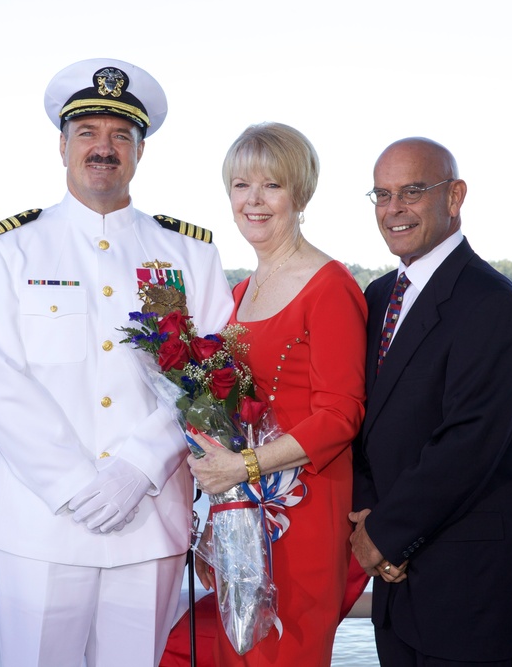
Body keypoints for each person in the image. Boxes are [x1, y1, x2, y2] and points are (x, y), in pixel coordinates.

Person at [0, 58, 233, 667]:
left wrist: (139, 467)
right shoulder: (9, 249)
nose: (103, 148)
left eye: (121, 135)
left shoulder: (189, 253)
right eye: (87, 133)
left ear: (141, 151)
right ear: (62, 146)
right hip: (39, 522)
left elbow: (211, 377)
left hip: (150, 514)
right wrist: (73, 485)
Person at [349, 137, 512, 666]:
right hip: (398, 588)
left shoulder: (491, 303)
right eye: (382, 195)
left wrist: (384, 537)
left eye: (413, 191)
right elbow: (363, 417)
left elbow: (470, 443)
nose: (394, 210)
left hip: (470, 592)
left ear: (454, 196)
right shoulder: (378, 295)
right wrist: (367, 517)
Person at [186, 122, 368, 666]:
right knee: (237, 650)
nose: (254, 201)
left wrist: (242, 466)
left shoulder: (330, 287)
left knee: (284, 653)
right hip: (239, 508)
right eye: (241, 186)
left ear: (301, 193)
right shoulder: (238, 291)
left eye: (272, 186)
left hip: (302, 508)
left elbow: (340, 415)